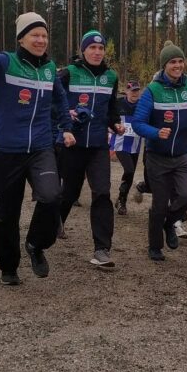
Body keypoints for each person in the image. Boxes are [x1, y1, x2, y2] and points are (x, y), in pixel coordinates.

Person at [0, 0, 74, 285]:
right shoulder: (4, 63)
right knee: (7, 213)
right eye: (35, 35)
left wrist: (67, 127)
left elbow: (60, 99)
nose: (41, 40)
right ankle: (9, 268)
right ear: (21, 38)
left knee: (51, 196)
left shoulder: (49, 69)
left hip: (40, 148)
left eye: (44, 35)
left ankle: (35, 244)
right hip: (7, 149)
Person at [131, 41, 187, 262]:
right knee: (159, 205)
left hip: (183, 155)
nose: (178, 65)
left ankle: (169, 223)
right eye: (173, 62)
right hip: (158, 157)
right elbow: (137, 123)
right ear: (164, 65)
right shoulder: (152, 91)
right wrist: (155, 132)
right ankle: (155, 247)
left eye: (180, 61)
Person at [57, 30, 124, 268]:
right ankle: (55, 223)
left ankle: (102, 249)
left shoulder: (111, 77)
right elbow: (53, 102)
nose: (97, 52)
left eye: (101, 48)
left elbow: (111, 109)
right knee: (69, 192)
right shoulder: (68, 73)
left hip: (98, 146)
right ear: (83, 50)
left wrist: (115, 124)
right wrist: (66, 115)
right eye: (92, 48)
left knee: (102, 193)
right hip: (72, 144)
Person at [110, 81, 144, 215]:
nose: (135, 93)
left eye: (137, 90)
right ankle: (122, 199)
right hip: (120, 143)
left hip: (135, 145)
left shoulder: (142, 105)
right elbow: (108, 116)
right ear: (126, 91)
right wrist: (110, 126)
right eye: (132, 90)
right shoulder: (118, 103)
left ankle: (121, 200)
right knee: (129, 169)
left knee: (130, 174)